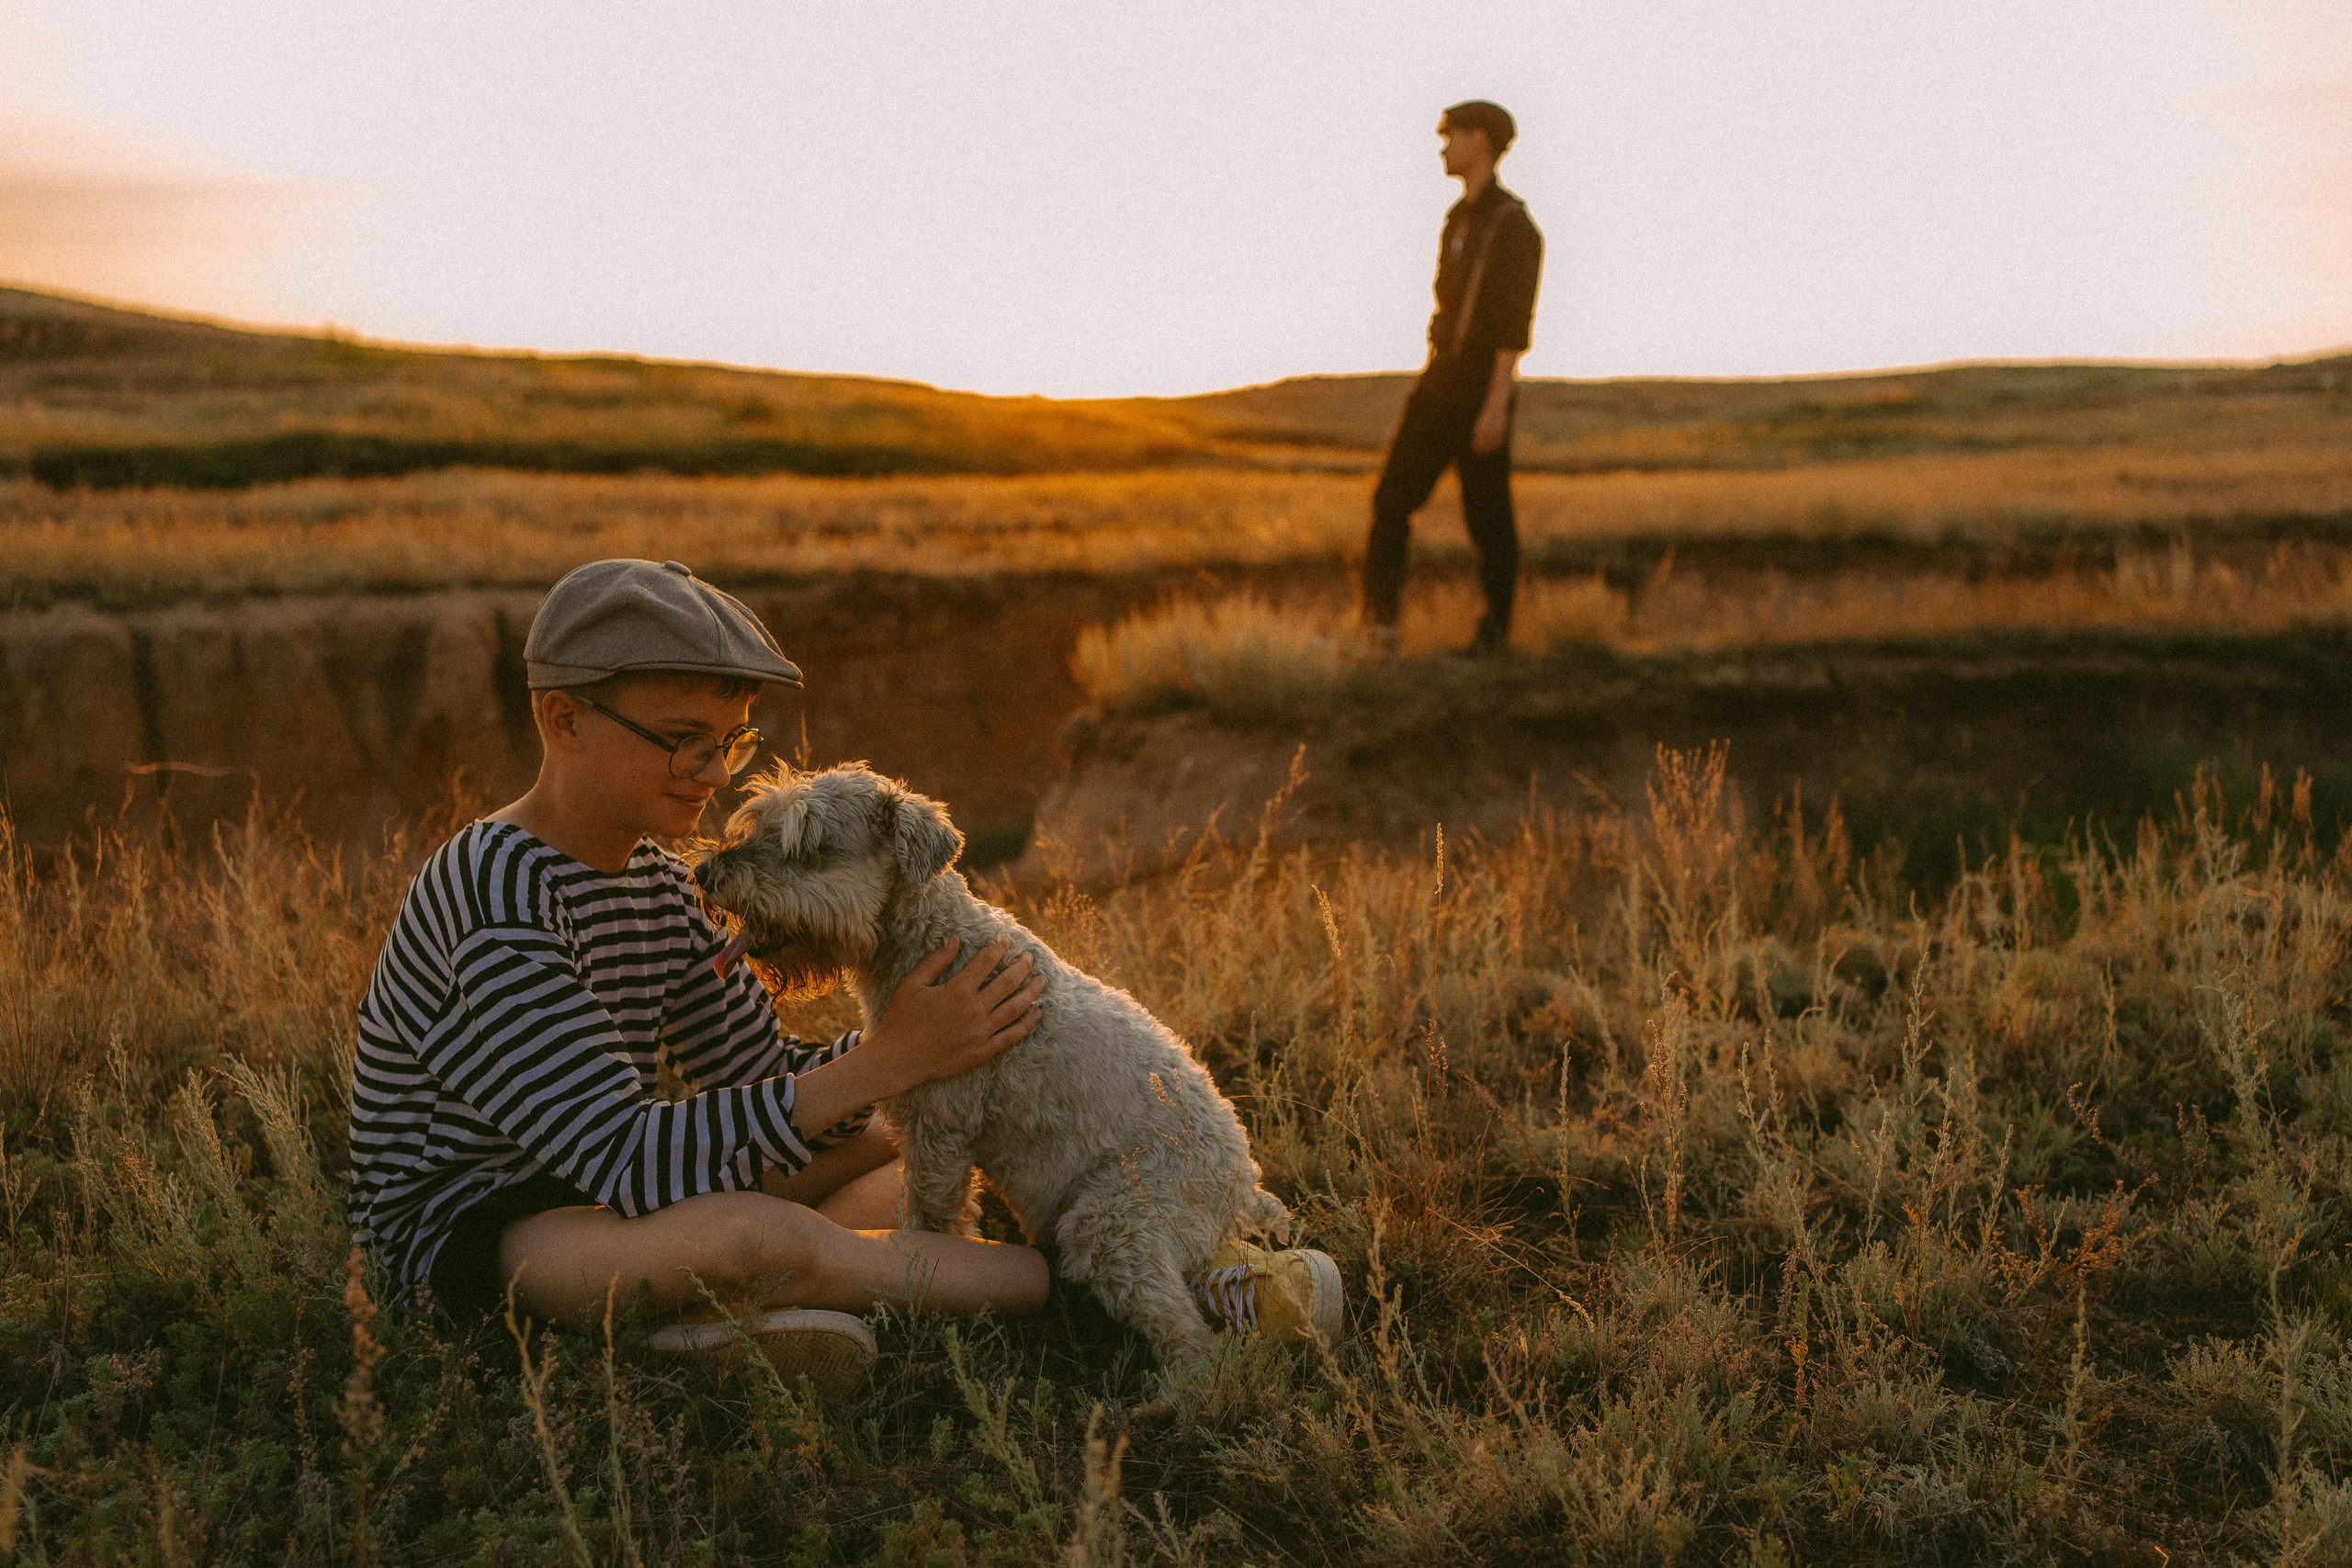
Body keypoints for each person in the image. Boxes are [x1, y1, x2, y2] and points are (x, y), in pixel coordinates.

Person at [347, 558, 1333, 1393]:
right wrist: (887, 1061)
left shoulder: (654, 875)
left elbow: (752, 1065)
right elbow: (624, 1157)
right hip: (483, 1228)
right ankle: (1132, 1292)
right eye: (681, 739)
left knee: (914, 1143)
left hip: (614, 1197)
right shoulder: (498, 897)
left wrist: (938, 1050)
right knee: (756, 1237)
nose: (714, 774)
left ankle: (723, 1321)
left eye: (728, 742)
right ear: (564, 720)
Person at [1362, 98, 1544, 658]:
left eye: (1453, 136)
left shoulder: (1515, 226)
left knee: (1487, 515)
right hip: (1442, 375)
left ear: (1481, 141)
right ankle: (1380, 628)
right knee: (1392, 499)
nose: (1443, 147)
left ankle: (1495, 635)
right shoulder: (1456, 219)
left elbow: (1512, 327)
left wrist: (1495, 406)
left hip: (1481, 384)